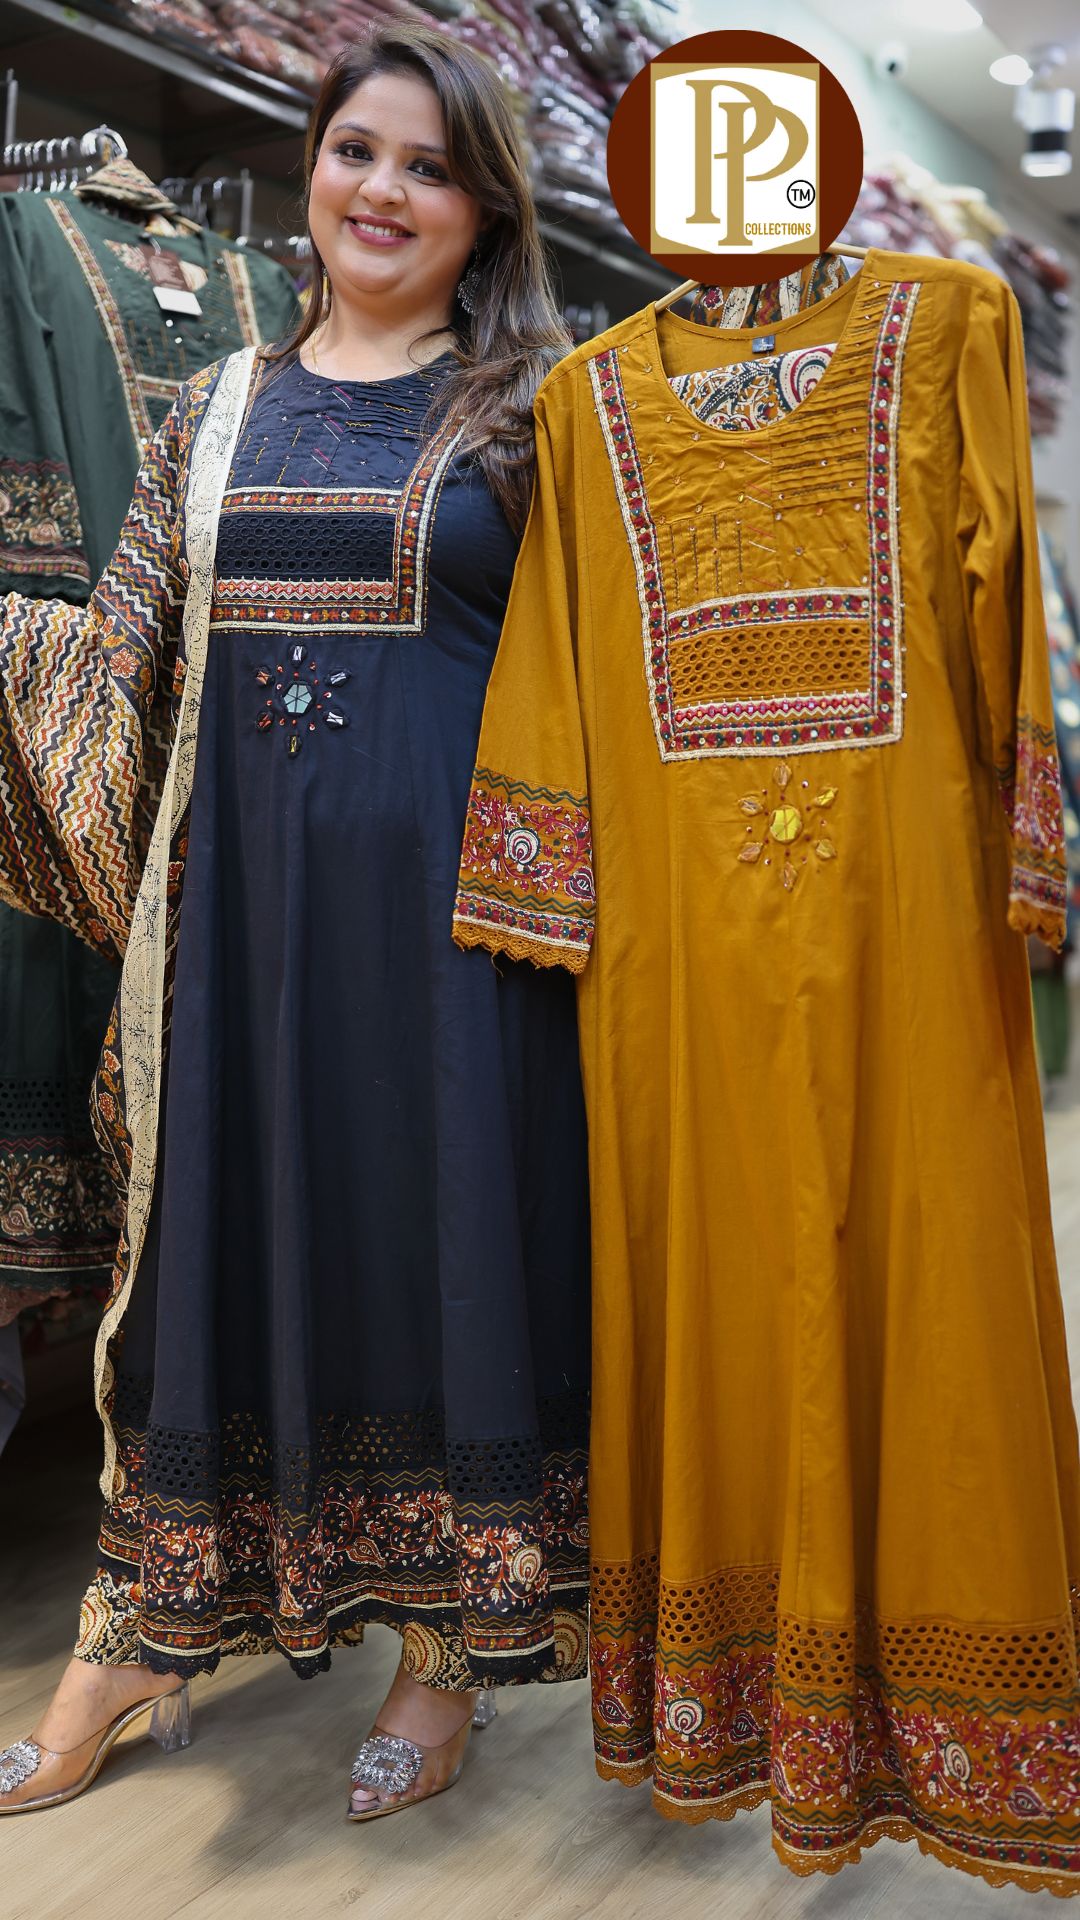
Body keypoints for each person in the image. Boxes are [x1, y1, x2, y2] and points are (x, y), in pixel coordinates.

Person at [0, 24, 590, 1821]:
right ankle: (136, 1638)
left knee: (444, 1255)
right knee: (208, 1268)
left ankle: (446, 1651)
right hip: (241, 948)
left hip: (456, 955)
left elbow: (608, 691)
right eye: (355, 152)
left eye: (429, 166)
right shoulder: (214, 408)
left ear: (486, 211)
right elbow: (114, 660)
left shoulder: (534, 420)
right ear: (310, 169)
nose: (381, 191)